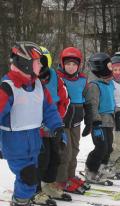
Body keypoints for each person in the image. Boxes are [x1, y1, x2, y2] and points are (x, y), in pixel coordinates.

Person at [0, 41, 66, 206]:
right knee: (28, 177)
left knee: (31, 177)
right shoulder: (8, 87)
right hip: (16, 146)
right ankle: (20, 202)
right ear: (25, 63)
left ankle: (22, 199)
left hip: (35, 144)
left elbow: (49, 110)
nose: (40, 65)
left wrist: (58, 127)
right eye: (37, 62)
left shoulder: (38, 86)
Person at [34, 46, 71, 205]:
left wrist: (57, 119)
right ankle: (34, 190)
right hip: (36, 129)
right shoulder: (28, 80)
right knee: (40, 159)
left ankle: (48, 185)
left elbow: (64, 99)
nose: (40, 65)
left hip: (53, 126)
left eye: (42, 62)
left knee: (55, 157)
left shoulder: (55, 77)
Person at [55, 47, 93, 193]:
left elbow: (87, 101)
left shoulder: (83, 79)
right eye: (68, 64)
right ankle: (61, 181)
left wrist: (89, 121)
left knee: (75, 151)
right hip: (62, 122)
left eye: (74, 64)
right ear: (63, 63)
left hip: (76, 122)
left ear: (79, 65)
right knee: (65, 153)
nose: (71, 67)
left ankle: (70, 176)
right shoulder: (57, 78)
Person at [84, 52, 116, 184]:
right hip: (99, 122)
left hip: (109, 120)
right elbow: (92, 105)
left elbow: (112, 101)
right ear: (101, 67)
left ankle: (102, 167)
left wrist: (117, 115)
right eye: (109, 65)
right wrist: (95, 122)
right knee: (101, 147)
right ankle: (90, 169)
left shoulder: (109, 83)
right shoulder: (94, 85)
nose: (111, 68)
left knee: (109, 147)